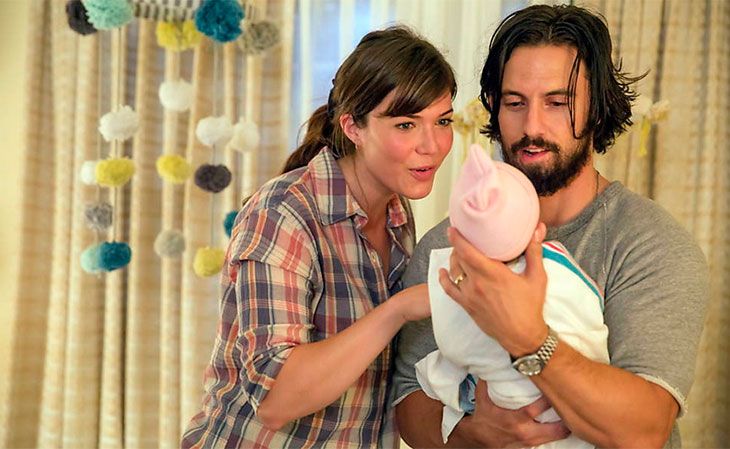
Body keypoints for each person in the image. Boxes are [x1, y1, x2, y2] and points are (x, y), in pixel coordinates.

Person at [393, 5, 709, 449]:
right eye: (514, 103)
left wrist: (528, 339)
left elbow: (645, 430)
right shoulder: (449, 245)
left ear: (597, 108)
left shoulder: (651, 244)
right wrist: (472, 434)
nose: (532, 126)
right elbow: (408, 400)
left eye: (557, 103)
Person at [181, 26, 457, 448]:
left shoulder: (398, 216)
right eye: (406, 124)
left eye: (443, 121)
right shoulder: (283, 213)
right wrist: (398, 309)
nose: (432, 145)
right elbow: (274, 399)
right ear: (353, 127)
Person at [415, 144, 608, 448]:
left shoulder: (452, 285)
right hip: (580, 414)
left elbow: (451, 350)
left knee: (435, 371)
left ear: (458, 237)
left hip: (506, 401)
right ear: (538, 232)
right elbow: (591, 308)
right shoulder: (561, 270)